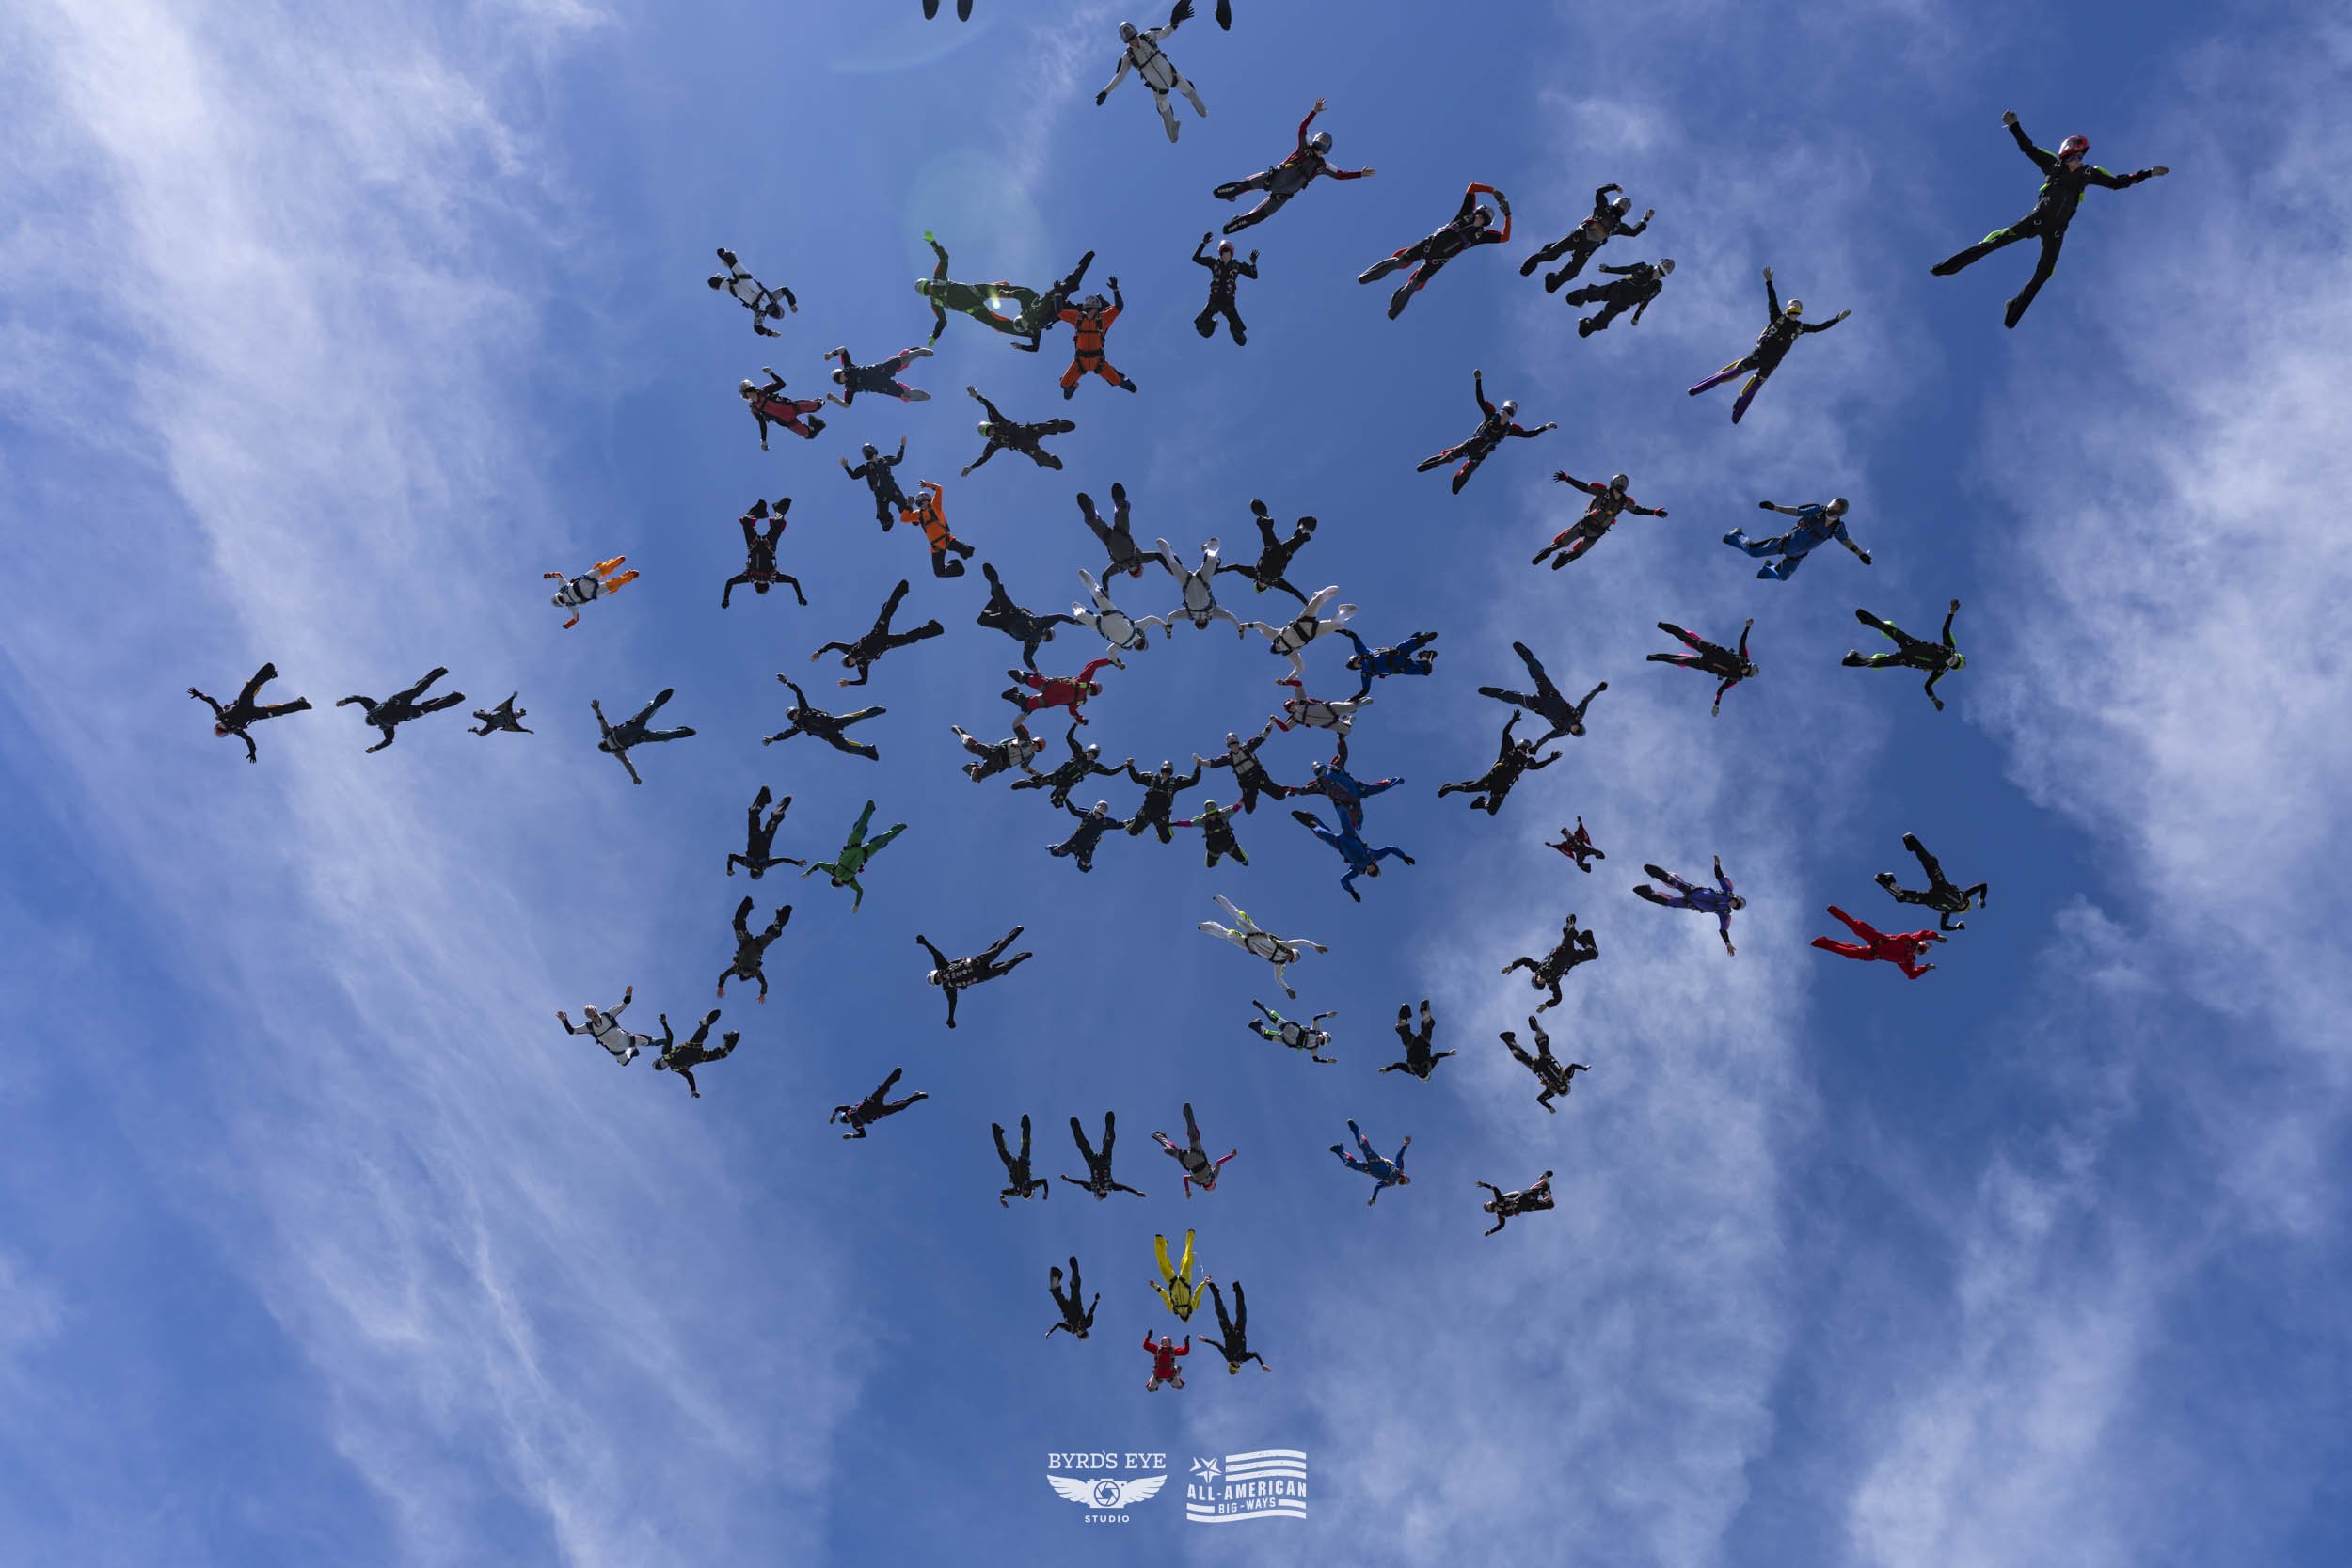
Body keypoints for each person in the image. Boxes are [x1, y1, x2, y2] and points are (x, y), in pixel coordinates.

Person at [1931, 112, 2169, 328]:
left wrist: (2148, 173)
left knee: (2045, 272)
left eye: (2082, 155)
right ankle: (1951, 266)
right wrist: (2014, 126)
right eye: (2076, 155)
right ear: (2066, 154)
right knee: (1996, 241)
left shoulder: (2089, 173)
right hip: (2037, 218)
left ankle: (2015, 306)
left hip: (2057, 230)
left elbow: (2117, 183)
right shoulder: (2053, 166)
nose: (2079, 159)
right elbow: (2028, 148)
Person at [1687, 269, 1850, 423]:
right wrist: (1769, 282)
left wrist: (1837, 319)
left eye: (1796, 312)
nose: (1794, 314)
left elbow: (1819, 328)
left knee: (1751, 391)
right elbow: (1773, 301)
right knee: (1729, 375)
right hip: (1759, 356)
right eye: (1793, 311)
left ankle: (1737, 414)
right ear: (1788, 311)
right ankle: (1696, 389)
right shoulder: (1777, 318)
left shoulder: (1800, 327)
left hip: (1771, 364)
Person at [1213, 98, 1375, 234]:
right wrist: (1314, 111)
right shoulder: (1305, 147)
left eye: (1325, 141)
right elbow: (1303, 128)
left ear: (1328, 148)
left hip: (1283, 195)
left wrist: (1360, 174)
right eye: (1321, 138)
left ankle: (1237, 220)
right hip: (1273, 178)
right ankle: (1232, 193)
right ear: (1316, 138)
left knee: (1258, 217)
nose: (1322, 141)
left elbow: (1340, 175)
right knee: (1244, 186)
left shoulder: (1322, 166)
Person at [1359, 182, 1512, 319]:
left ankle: (1393, 312)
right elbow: (1472, 188)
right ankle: (1367, 277)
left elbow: (1504, 237)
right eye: (1480, 216)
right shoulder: (1465, 214)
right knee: (1400, 262)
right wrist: (1492, 190)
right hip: (1430, 244)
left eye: (1483, 219)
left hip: (1438, 260)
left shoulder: (1481, 235)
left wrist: (1507, 216)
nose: (1480, 219)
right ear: (1477, 213)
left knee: (1413, 285)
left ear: (1485, 222)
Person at [1415, 369, 1555, 494]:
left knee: (1467, 473)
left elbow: (1528, 434)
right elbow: (1480, 399)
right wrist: (1478, 380)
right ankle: (1425, 466)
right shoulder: (1491, 415)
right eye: (1504, 411)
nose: (1504, 414)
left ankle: (1455, 488)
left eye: (1508, 413)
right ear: (1501, 410)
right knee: (1445, 458)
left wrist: (1545, 427)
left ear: (1511, 415)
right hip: (1470, 445)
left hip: (1480, 454)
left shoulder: (1509, 429)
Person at [1097, 4, 1207, 144]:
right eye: (1124, 31)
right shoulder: (1128, 57)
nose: (1127, 31)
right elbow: (1119, 77)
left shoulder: (1148, 36)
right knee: (1172, 137)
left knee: (1202, 110)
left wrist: (1177, 22)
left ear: (1133, 28)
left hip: (1173, 76)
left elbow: (1166, 31)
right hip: (1159, 90)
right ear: (1122, 36)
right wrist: (1105, 92)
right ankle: (1174, 125)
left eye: (1128, 28)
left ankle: (1194, 101)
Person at [811, 578, 944, 688]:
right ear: (852, 665)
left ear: (847, 657)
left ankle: (902, 589)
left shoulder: (850, 649)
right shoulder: (862, 665)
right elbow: (864, 681)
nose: (851, 660)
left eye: (848, 660)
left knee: (887, 612)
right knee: (909, 638)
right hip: (887, 644)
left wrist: (820, 651)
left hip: (877, 633)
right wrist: (849, 683)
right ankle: (934, 628)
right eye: (850, 663)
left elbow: (833, 644)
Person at [1843, 598, 1965, 710]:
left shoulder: (1941, 670)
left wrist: (1935, 700)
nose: (1951, 661)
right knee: (1889, 629)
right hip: (1911, 644)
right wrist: (1951, 612)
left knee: (1876, 663)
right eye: (1955, 660)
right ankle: (1866, 619)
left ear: (1951, 668)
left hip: (1906, 659)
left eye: (1953, 665)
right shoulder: (1950, 648)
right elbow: (1945, 630)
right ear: (1957, 655)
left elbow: (1927, 686)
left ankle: (1854, 657)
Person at [1532, 470, 1667, 571]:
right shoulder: (1602, 492)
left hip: (1596, 533)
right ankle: (1545, 553)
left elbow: (1637, 510)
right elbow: (1584, 487)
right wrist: (1568, 479)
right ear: (1614, 482)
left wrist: (1654, 512)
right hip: (1585, 525)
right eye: (1620, 481)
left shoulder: (1625, 502)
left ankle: (1562, 557)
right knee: (1560, 543)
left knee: (1577, 554)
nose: (1621, 483)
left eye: (1623, 482)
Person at [912, 230, 1031, 343]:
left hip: (975, 291)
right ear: (926, 294)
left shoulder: (938, 278)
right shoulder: (935, 303)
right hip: (974, 309)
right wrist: (935, 335)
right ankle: (1029, 332)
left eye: (927, 286)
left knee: (1003, 289)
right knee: (997, 324)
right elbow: (942, 321)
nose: (930, 289)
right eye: (927, 291)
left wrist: (933, 243)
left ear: (928, 282)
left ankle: (1029, 296)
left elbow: (944, 258)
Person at [1198, 894, 1327, 997]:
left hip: (1248, 945)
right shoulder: (1286, 945)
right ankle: (1220, 899)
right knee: (1239, 918)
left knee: (1228, 935)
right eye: (1291, 956)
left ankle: (1206, 926)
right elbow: (1302, 941)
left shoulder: (1279, 964)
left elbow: (1278, 979)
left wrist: (1288, 990)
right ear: (1292, 951)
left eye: (1291, 960)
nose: (1289, 957)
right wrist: (1316, 946)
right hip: (1255, 933)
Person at [1524, 182, 1651, 288]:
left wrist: (1645, 220)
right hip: (1577, 238)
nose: (1624, 206)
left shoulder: (1618, 226)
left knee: (1572, 273)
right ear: (1617, 202)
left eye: (1626, 206)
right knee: (1551, 255)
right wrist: (1613, 187)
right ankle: (1529, 265)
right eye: (1623, 203)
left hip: (1587, 250)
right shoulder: (1603, 207)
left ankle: (1553, 281)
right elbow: (1599, 192)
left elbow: (1633, 233)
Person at [1437, 710, 1561, 816]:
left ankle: (1482, 802)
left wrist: (1551, 759)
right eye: (1524, 747)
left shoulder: (1526, 762)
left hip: (1500, 790)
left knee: (1492, 811)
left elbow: (1537, 766)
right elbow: (1505, 733)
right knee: (1467, 788)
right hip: (1490, 781)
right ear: (1520, 746)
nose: (1525, 750)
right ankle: (1449, 787)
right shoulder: (1509, 751)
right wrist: (1513, 720)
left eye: (1526, 748)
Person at [1477, 641, 1606, 742]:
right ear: (1579, 725)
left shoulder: (1561, 731)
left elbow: (1547, 737)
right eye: (1577, 728)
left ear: (1572, 733)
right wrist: (1598, 689)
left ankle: (1493, 693)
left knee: (1514, 698)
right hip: (1550, 694)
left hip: (1538, 705)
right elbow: (1586, 700)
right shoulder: (1577, 715)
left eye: (1575, 731)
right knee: (1538, 673)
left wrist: (1535, 748)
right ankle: (1528, 657)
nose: (1574, 729)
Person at [1723, 497, 1871, 581]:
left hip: (1797, 556)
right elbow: (1795, 511)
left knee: (1782, 577)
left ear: (1839, 513)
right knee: (1752, 552)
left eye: (1835, 509)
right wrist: (1775, 507)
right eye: (1831, 506)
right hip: (1786, 543)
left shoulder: (1837, 527)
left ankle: (1768, 568)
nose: (1830, 510)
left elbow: (1846, 541)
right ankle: (1736, 535)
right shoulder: (1818, 511)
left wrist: (1861, 554)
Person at [191, 661, 310, 762]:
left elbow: (212, 702)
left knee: (252, 686)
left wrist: (200, 695)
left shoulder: (221, 716)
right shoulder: (235, 729)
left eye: (219, 728)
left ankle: (269, 673)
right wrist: (252, 752)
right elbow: (249, 740)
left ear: (217, 725)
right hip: (253, 713)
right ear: (227, 732)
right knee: (277, 710)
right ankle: (301, 704)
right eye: (222, 731)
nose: (222, 728)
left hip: (243, 704)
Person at [1291, 807, 1415, 901]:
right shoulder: (1375, 856)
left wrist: (1352, 892)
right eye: (1374, 870)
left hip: (1338, 844)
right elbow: (1391, 849)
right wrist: (1404, 856)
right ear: (1375, 866)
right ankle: (1338, 798)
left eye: (1371, 873)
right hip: (1351, 836)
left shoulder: (1357, 870)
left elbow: (1344, 880)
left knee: (1319, 831)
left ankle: (1311, 819)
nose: (1371, 870)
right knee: (1344, 815)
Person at [917, 927, 1032, 1028]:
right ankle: (1019, 957)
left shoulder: (944, 967)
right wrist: (951, 1017)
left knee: (999, 948)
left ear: (936, 973)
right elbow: (952, 1002)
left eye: (936, 977)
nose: (939, 979)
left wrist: (925, 943)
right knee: (1007, 966)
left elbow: (936, 954)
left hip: (978, 962)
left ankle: (1013, 934)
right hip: (982, 976)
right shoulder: (948, 987)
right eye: (937, 982)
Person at [804, 800, 907, 913]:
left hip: (852, 845)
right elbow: (860, 891)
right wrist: (856, 905)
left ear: (835, 880)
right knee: (883, 840)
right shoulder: (850, 881)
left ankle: (870, 807)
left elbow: (818, 864)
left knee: (861, 825)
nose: (841, 884)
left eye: (839, 884)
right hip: (865, 853)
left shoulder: (833, 870)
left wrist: (808, 872)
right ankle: (899, 827)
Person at [1877, 832, 1989, 932]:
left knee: (1930, 864)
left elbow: (1983, 885)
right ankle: (1892, 884)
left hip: (1936, 891)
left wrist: (1981, 899)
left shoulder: (1956, 903)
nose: (1962, 904)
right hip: (1933, 895)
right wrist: (1957, 927)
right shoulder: (1949, 910)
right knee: (1929, 867)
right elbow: (1943, 927)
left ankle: (1891, 882)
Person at [337, 667, 465, 753]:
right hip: (401, 702)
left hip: (407, 712)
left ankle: (456, 696)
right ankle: (441, 672)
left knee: (429, 704)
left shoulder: (385, 727)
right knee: (419, 689)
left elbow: (388, 741)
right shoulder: (374, 710)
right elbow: (361, 699)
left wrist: (376, 748)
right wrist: (346, 701)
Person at [1633, 856, 1742, 956]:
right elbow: (1719, 877)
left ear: (1734, 908)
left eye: (1736, 906)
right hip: (1693, 891)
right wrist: (1717, 865)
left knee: (1670, 903)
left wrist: (1727, 943)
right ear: (1735, 898)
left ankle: (1649, 892)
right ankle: (1660, 875)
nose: (1734, 904)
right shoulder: (1728, 891)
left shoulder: (1725, 914)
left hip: (1691, 904)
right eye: (1736, 901)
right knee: (1674, 883)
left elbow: (1723, 930)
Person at [1646, 618, 1756, 715]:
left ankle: (1654, 657)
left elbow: (1721, 690)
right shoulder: (1743, 657)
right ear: (1748, 665)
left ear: (1746, 675)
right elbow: (1742, 642)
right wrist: (1747, 627)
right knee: (1685, 637)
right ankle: (1662, 625)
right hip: (1710, 650)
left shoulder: (1735, 678)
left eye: (1747, 673)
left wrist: (1716, 705)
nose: (1745, 670)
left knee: (1679, 660)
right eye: (1748, 668)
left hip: (1704, 664)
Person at [763, 676, 885, 761]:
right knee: (847, 749)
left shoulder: (805, 710)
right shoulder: (799, 725)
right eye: (793, 715)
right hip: (831, 736)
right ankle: (869, 751)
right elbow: (786, 734)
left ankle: (877, 710)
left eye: (795, 711)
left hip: (835, 722)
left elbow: (799, 693)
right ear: (793, 718)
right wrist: (773, 739)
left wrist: (787, 682)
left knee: (858, 716)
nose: (796, 714)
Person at [1250, 583, 1357, 680]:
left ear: (1274, 643)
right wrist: (1289, 679)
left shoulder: (1276, 636)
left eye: (1276, 647)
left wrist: (1244, 626)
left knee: (1319, 605)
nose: (1278, 647)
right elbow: (1299, 668)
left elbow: (1260, 625)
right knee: (1335, 622)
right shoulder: (1289, 652)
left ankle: (1319, 598)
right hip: (1310, 631)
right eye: (1277, 650)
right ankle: (1340, 610)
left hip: (1303, 624)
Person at [977, 564, 1073, 671]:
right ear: (1048, 630)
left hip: (1005, 623)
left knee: (982, 620)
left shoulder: (1034, 644)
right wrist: (1074, 622)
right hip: (1013, 614)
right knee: (998, 592)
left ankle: (996, 597)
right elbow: (1060, 617)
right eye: (1047, 635)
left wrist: (1035, 669)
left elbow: (1026, 657)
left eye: (1047, 639)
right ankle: (995, 588)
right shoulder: (1043, 624)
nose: (1045, 637)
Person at [961, 387, 1074, 475]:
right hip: (1026, 446)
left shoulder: (996, 420)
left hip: (1027, 432)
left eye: (989, 429)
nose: (990, 432)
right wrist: (971, 467)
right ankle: (1052, 462)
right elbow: (984, 457)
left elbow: (989, 406)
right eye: (988, 433)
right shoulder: (994, 442)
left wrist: (977, 396)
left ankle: (1059, 426)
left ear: (989, 425)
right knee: (1040, 459)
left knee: (1045, 427)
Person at [1012, 721, 1126, 809]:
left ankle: (1056, 794)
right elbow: (1069, 738)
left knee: (1057, 803)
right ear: (1087, 751)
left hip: (1066, 784)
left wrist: (1125, 765)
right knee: (1038, 785)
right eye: (1090, 753)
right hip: (1059, 775)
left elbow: (1110, 773)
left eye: (1094, 756)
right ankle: (1024, 783)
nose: (1091, 756)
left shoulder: (1093, 766)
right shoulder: (1079, 753)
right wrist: (1075, 724)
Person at [593, 688, 695, 784]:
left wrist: (634, 776)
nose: (607, 745)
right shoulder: (613, 745)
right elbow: (628, 764)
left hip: (638, 730)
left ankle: (678, 729)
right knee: (656, 717)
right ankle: (679, 730)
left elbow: (628, 764)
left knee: (660, 726)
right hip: (639, 731)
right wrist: (634, 776)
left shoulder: (614, 747)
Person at [1291, 741, 1399, 832]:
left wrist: (1341, 738)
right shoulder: (1319, 784)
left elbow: (1343, 755)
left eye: (1322, 770)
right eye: (1319, 772)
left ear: (1324, 766)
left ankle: (1394, 781)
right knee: (1352, 821)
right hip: (1347, 803)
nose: (1322, 773)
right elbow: (1304, 790)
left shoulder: (1334, 767)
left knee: (1378, 787)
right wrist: (1290, 791)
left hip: (1357, 789)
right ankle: (1353, 828)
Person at [1223, 499, 1317, 603]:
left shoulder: (1254, 573)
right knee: (1298, 540)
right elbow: (1293, 591)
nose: (1263, 585)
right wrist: (1307, 603)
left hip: (1271, 549)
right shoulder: (1276, 582)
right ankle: (1303, 529)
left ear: (1257, 582)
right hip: (1284, 553)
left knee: (1265, 527)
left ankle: (1265, 519)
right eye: (1264, 587)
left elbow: (1235, 567)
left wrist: (1217, 570)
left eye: (1260, 586)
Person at [1813, 906, 1945, 978]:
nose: (1918, 951)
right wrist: (1936, 936)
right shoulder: (1912, 941)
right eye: (1921, 949)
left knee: (1849, 953)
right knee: (1857, 926)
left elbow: (1911, 974)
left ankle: (1822, 942)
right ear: (1919, 944)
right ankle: (1835, 912)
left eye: (1921, 953)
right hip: (1880, 940)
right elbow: (1922, 934)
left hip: (1874, 953)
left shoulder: (1908, 960)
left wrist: (1925, 968)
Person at [1153, 537, 1249, 637]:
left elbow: (1171, 616)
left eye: (1198, 622)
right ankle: (1206, 548)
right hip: (1202, 581)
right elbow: (1229, 616)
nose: (1200, 620)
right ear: (1206, 621)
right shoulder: (1212, 613)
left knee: (1171, 562)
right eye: (1202, 622)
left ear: (1195, 622)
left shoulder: (1190, 615)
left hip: (1189, 583)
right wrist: (1239, 628)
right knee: (1214, 550)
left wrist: (1169, 630)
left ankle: (1168, 549)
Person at [1502, 915, 1600, 1010]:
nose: (1541, 981)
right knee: (1594, 954)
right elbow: (1558, 998)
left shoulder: (1537, 967)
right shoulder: (1552, 982)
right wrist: (1547, 1004)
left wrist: (1512, 966)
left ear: (1535, 977)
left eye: (1538, 980)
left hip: (1564, 949)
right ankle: (1583, 939)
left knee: (1572, 932)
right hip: (1573, 958)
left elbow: (1525, 960)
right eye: (1541, 983)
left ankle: (1569, 924)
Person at [1057, 281, 1137, 398]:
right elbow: (1059, 312)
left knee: (1117, 381)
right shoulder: (1078, 317)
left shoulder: (1102, 319)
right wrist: (1058, 294)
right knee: (1064, 385)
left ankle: (1123, 382)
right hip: (1082, 362)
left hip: (1097, 362)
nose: (1092, 311)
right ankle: (1072, 387)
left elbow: (1119, 307)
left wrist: (1116, 290)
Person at [723, 498, 807, 609]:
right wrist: (726, 599)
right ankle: (763, 510)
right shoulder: (753, 577)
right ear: (756, 586)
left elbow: (793, 581)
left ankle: (769, 511)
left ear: (766, 586)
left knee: (777, 523)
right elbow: (730, 582)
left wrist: (800, 597)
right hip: (758, 546)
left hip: (765, 546)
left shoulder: (769, 577)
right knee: (747, 522)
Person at [1563, 257, 1674, 337]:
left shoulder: (1657, 286)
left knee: (1596, 326)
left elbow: (1646, 301)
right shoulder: (1643, 267)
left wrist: (1636, 317)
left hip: (1622, 303)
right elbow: (1626, 269)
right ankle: (1579, 298)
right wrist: (1608, 269)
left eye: (1662, 274)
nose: (1658, 274)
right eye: (1658, 270)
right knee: (1584, 295)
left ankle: (1585, 323)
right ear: (1656, 266)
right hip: (1616, 289)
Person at [1500, 1014, 1589, 1112]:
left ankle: (1509, 1040)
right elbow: (1573, 1065)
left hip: (1536, 1066)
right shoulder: (1566, 1077)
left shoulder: (1551, 1091)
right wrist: (1584, 1068)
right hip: (1546, 1059)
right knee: (1543, 1038)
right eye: (1564, 1088)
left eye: (1561, 1090)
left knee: (1520, 1057)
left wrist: (1549, 1107)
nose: (1561, 1088)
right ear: (1567, 1086)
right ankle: (1537, 1029)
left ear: (1559, 1091)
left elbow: (1540, 1099)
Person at [1002, 654, 1120, 725]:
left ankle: (1015, 692)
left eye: (1092, 690)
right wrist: (1110, 661)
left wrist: (1081, 719)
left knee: (1028, 704)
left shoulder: (1081, 697)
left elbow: (1073, 710)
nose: (1090, 689)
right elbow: (1093, 665)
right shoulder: (1083, 686)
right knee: (1031, 683)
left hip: (1048, 697)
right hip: (1049, 689)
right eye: (1091, 687)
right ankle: (1021, 677)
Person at [1152, 1104, 1238, 1197]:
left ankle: (1161, 1136)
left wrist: (1187, 1190)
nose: (1211, 1186)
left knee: (1172, 1148)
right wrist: (1231, 1155)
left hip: (1192, 1160)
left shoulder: (1201, 1181)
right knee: (1190, 1135)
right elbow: (1218, 1163)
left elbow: (1218, 1162)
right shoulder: (1212, 1176)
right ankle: (1187, 1115)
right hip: (1196, 1158)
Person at [715, 896, 792, 1001]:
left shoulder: (751, 972)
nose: (746, 974)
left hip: (752, 945)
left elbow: (764, 983)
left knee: (771, 933)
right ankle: (751, 905)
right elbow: (723, 976)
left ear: (745, 976)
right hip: (751, 944)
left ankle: (752, 907)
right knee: (740, 924)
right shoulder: (740, 970)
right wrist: (720, 986)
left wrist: (762, 994)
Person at [1203, 723, 1291, 814]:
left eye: (1233, 738)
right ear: (1228, 744)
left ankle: (1285, 789)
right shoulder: (1228, 758)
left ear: (1237, 741)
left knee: (1280, 796)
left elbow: (1261, 738)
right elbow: (1214, 763)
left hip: (1258, 777)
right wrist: (1201, 762)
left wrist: (1270, 725)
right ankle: (1246, 796)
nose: (1232, 740)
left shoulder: (1247, 748)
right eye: (1230, 740)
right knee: (1249, 810)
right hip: (1247, 783)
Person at [707, 245, 795, 336]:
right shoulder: (773, 298)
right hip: (746, 279)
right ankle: (726, 261)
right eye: (775, 310)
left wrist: (770, 333)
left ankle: (723, 278)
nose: (771, 310)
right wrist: (792, 304)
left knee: (712, 282)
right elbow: (785, 290)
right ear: (777, 306)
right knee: (727, 255)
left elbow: (758, 328)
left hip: (735, 290)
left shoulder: (760, 313)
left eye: (772, 313)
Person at [651, 1008, 739, 1099]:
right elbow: (689, 1076)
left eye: (661, 1062)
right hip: (700, 1056)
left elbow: (670, 1037)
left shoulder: (665, 1053)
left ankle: (705, 1023)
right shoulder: (675, 1068)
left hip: (693, 1046)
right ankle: (730, 1037)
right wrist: (693, 1090)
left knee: (705, 1027)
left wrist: (664, 1023)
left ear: (660, 1059)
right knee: (723, 1054)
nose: (665, 1064)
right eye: (663, 1066)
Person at [1061, 1110, 1146, 1199]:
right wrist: (1136, 1192)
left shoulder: (1095, 1187)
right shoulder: (1109, 1186)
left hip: (1095, 1161)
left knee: (1087, 1144)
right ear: (1099, 1194)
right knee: (1100, 1142)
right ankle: (1108, 1130)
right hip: (1101, 1161)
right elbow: (1124, 1188)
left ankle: (1078, 1128)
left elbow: (1080, 1182)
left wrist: (1068, 1179)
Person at [556, 985, 650, 1065]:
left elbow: (623, 1005)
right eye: (587, 1013)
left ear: (596, 1010)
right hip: (615, 1049)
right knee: (624, 1063)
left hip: (623, 1038)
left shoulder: (608, 1015)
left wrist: (628, 995)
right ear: (587, 1016)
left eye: (591, 1011)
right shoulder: (589, 1027)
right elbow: (572, 1031)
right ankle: (632, 1050)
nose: (590, 1014)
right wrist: (565, 1021)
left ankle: (642, 1045)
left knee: (648, 1042)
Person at [1189, 235, 1258, 344]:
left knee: (1240, 337)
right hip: (1214, 300)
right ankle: (1213, 324)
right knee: (1201, 328)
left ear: (1231, 253)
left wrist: (1253, 263)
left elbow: (1254, 275)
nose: (1226, 254)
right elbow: (1195, 258)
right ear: (1220, 252)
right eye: (1224, 251)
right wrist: (1203, 244)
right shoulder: (1213, 262)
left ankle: (1234, 330)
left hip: (1228, 302)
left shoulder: (1237, 265)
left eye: (1227, 251)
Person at [1075, 483, 1152, 579]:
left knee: (1122, 512)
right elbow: (1105, 576)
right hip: (1110, 539)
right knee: (1094, 522)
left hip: (1121, 534)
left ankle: (1119, 504)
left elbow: (1159, 556)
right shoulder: (1122, 566)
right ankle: (1092, 516)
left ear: (1140, 568)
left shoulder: (1139, 560)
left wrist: (1169, 561)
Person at [899, 479, 974, 578]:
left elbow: (939, 488)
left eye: (925, 501)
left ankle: (964, 552)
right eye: (921, 503)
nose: (924, 504)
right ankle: (956, 565)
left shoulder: (935, 506)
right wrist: (908, 506)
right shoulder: (918, 514)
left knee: (969, 552)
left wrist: (926, 484)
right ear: (919, 504)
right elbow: (904, 519)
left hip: (947, 539)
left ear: (929, 501)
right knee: (939, 573)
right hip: (936, 547)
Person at [726, 785, 806, 879]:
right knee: (776, 817)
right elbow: (783, 860)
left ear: (751, 869)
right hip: (767, 836)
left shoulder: (746, 863)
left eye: (754, 869)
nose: (756, 867)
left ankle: (765, 798)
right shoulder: (767, 864)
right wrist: (796, 863)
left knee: (753, 812)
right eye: (758, 869)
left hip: (754, 834)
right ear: (761, 870)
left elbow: (731, 856)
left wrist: (729, 869)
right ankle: (780, 812)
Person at [1339, 627, 1438, 698]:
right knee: (1427, 670)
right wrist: (1353, 699)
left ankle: (1422, 637)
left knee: (1410, 644)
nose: (1356, 665)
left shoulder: (1363, 652)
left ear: (1355, 658)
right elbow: (1365, 690)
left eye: (1354, 663)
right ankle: (1426, 656)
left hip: (1396, 654)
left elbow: (1354, 636)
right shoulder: (1365, 674)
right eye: (1354, 667)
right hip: (1401, 667)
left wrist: (1338, 629)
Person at [1329, 1119, 1411, 1205]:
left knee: (1349, 1164)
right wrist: (1405, 1145)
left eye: (1406, 1183)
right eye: (1407, 1180)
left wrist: (1373, 1198)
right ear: (1405, 1176)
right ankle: (1355, 1129)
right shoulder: (1399, 1169)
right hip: (1375, 1159)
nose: (1405, 1181)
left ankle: (1339, 1149)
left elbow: (1378, 1187)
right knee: (1363, 1145)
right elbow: (1399, 1157)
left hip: (1368, 1169)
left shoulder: (1391, 1183)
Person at [823, 343, 933, 407]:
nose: (841, 378)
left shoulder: (848, 368)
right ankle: (924, 396)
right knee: (905, 395)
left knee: (902, 360)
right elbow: (846, 405)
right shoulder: (849, 388)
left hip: (881, 370)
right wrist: (833, 399)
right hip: (882, 386)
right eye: (839, 380)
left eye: (839, 376)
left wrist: (831, 354)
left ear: (841, 372)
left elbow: (843, 350)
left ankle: (920, 352)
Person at [831, 1067, 927, 1138]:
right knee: (900, 1107)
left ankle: (895, 1076)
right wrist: (852, 1136)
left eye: (845, 1118)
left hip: (872, 1103)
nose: (848, 1119)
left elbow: (838, 1107)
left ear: (844, 1115)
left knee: (883, 1089)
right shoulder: (856, 1125)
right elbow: (863, 1135)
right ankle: (916, 1096)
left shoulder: (849, 1110)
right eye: (846, 1121)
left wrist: (833, 1116)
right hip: (879, 1111)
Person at [741, 367, 826, 447]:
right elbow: (762, 424)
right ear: (744, 394)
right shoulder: (754, 408)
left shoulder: (764, 391)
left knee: (816, 405)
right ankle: (814, 426)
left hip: (793, 407)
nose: (747, 386)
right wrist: (763, 440)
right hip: (789, 422)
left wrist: (771, 373)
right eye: (745, 386)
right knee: (807, 434)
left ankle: (819, 402)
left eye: (747, 384)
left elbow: (782, 384)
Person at [545, 556, 639, 628]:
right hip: (592, 592)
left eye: (560, 598)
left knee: (604, 569)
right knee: (614, 584)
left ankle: (615, 562)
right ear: (563, 604)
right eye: (561, 601)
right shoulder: (571, 605)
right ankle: (629, 575)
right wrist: (568, 624)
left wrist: (550, 575)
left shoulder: (564, 588)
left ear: (558, 594)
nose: (562, 599)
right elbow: (575, 619)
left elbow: (558, 575)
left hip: (585, 583)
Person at [1123, 757, 1202, 843]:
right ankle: (1137, 824)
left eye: (1169, 766)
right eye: (1165, 765)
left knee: (1166, 840)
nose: (1167, 766)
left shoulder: (1175, 782)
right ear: (1161, 767)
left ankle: (1168, 827)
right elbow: (1136, 778)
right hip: (1147, 811)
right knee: (1132, 832)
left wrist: (1198, 767)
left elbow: (1193, 781)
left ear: (1172, 769)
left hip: (1161, 815)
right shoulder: (1152, 778)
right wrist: (1130, 766)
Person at [840, 438, 911, 532]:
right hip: (881, 496)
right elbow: (854, 476)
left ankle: (913, 515)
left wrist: (902, 447)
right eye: (866, 453)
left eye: (868, 451)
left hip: (893, 490)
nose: (867, 454)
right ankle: (889, 521)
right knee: (884, 521)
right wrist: (846, 466)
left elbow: (898, 459)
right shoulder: (867, 467)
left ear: (873, 450)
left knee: (906, 508)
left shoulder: (884, 460)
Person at [1200, 1281, 1268, 1374]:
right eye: (1236, 1365)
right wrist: (1262, 1364)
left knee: (1220, 1311)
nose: (1235, 1363)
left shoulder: (1228, 1357)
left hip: (1227, 1331)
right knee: (1242, 1312)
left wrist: (1206, 1340)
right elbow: (1255, 1354)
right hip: (1240, 1331)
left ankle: (1214, 1290)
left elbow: (1218, 1345)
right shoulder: (1243, 1358)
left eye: (1233, 1364)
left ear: (1230, 1364)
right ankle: (1237, 1288)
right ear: (1238, 1366)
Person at [1378, 999, 1454, 1080]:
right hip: (1417, 1044)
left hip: (1419, 1043)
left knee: (1424, 1026)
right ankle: (1413, 1015)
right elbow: (1398, 1065)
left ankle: (1418, 1013)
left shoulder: (1424, 1067)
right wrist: (1387, 1069)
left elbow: (1437, 1056)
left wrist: (1448, 1054)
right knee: (1407, 1029)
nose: (1422, 1073)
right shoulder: (1416, 1070)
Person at [1268, 677, 1371, 737]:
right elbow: (1286, 728)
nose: (1292, 705)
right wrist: (1276, 720)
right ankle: (1348, 719)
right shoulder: (1295, 719)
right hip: (1329, 723)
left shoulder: (1300, 701)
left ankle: (1356, 702)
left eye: (1291, 703)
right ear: (1289, 711)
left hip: (1329, 709)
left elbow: (1299, 684)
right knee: (1347, 731)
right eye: (1289, 707)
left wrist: (1285, 683)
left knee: (1351, 706)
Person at [953, 721, 1045, 784]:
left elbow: (1025, 768)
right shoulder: (1025, 740)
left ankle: (972, 767)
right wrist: (1024, 714)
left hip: (998, 765)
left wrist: (1036, 774)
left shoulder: (1029, 756)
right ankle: (963, 734)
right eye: (1036, 743)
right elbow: (1013, 731)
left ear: (1038, 750)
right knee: (971, 746)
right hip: (996, 752)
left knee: (976, 778)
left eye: (1038, 746)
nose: (1035, 745)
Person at [1247, 1000, 1337, 1064]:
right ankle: (1263, 1006)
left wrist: (1327, 1061)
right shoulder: (1316, 1031)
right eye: (1322, 1039)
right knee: (1272, 1018)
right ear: (1322, 1034)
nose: (1320, 1041)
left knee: (1265, 1036)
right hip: (1291, 1029)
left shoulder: (1314, 1047)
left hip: (1288, 1040)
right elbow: (1315, 1017)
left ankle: (1257, 1024)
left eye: (1321, 1043)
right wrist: (1327, 1015)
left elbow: (1316, 1059)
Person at [1048, 800, 1125, 873]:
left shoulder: (1105, 822)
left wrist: (1132, 821)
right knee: (1057, 851)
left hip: (1086, 848)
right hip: (1075, 841)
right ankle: (1057, 848)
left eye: (1101, 813)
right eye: (1098, 811)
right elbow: (1074, 811)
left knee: (1085, 867)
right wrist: (1066, 799)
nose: (1098, 815)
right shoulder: (1088, 815)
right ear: (1095, 809)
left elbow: (1118, 825)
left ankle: (1078, 858)